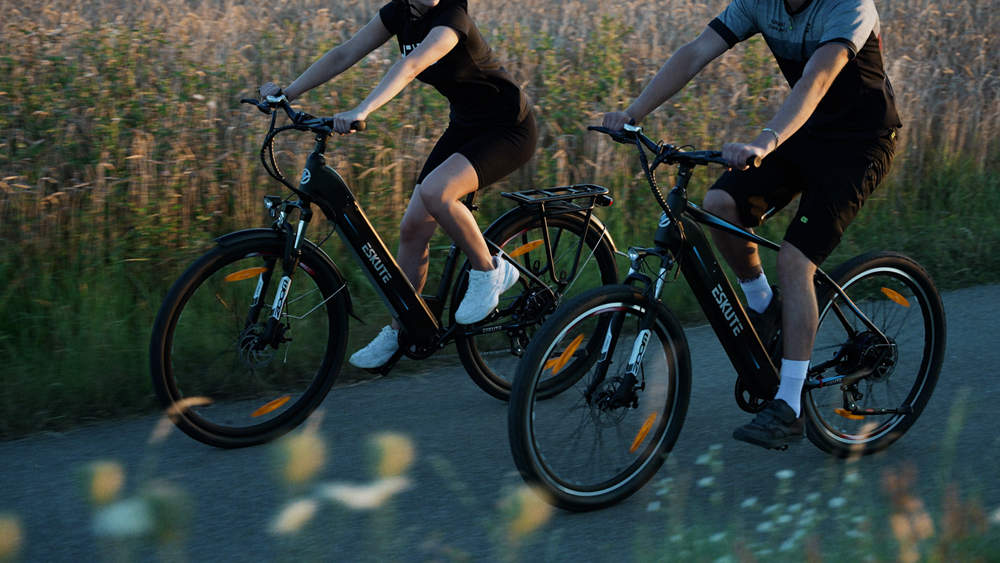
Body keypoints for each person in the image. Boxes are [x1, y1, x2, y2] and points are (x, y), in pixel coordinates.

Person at [603, 0, 899, 449]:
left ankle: (790, 405)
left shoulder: (850, 6)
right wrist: (634, 113)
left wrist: (765, 140)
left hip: (860, 145)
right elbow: (696, 52)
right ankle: (765, 309)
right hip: (804, 133)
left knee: (797, 260)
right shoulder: (759, 3)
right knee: (721, 203)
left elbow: (815, 81)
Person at [260, 0, 537, 369]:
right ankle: (403, 327)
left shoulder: (452, 17)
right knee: (412, 229)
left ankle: (489, 270)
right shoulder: (399, 14)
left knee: (437, 193)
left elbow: (411, 65)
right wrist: (288, 93)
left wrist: (363, 109)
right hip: (467, 127)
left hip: (508, 128)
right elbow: (345, 54)